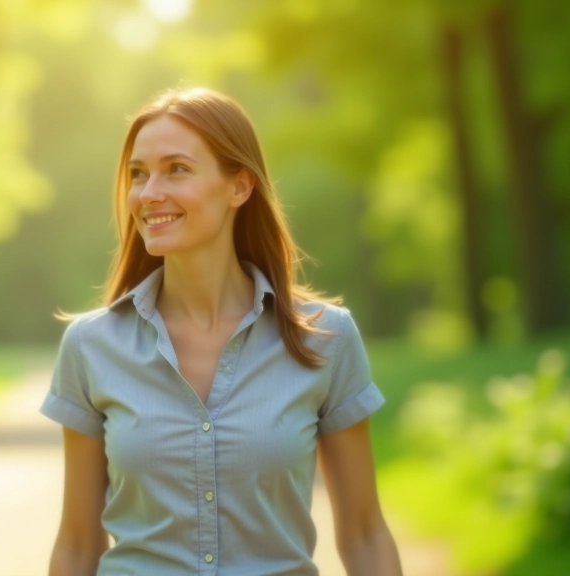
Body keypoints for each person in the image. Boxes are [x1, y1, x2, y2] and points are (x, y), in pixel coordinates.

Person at [39, 87, 402, 576]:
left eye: (177, 169)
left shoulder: (326, 339)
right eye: (139, 174)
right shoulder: (91, 346)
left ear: (239, 187)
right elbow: (79, 546)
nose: (149, 194)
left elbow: (364, 535)